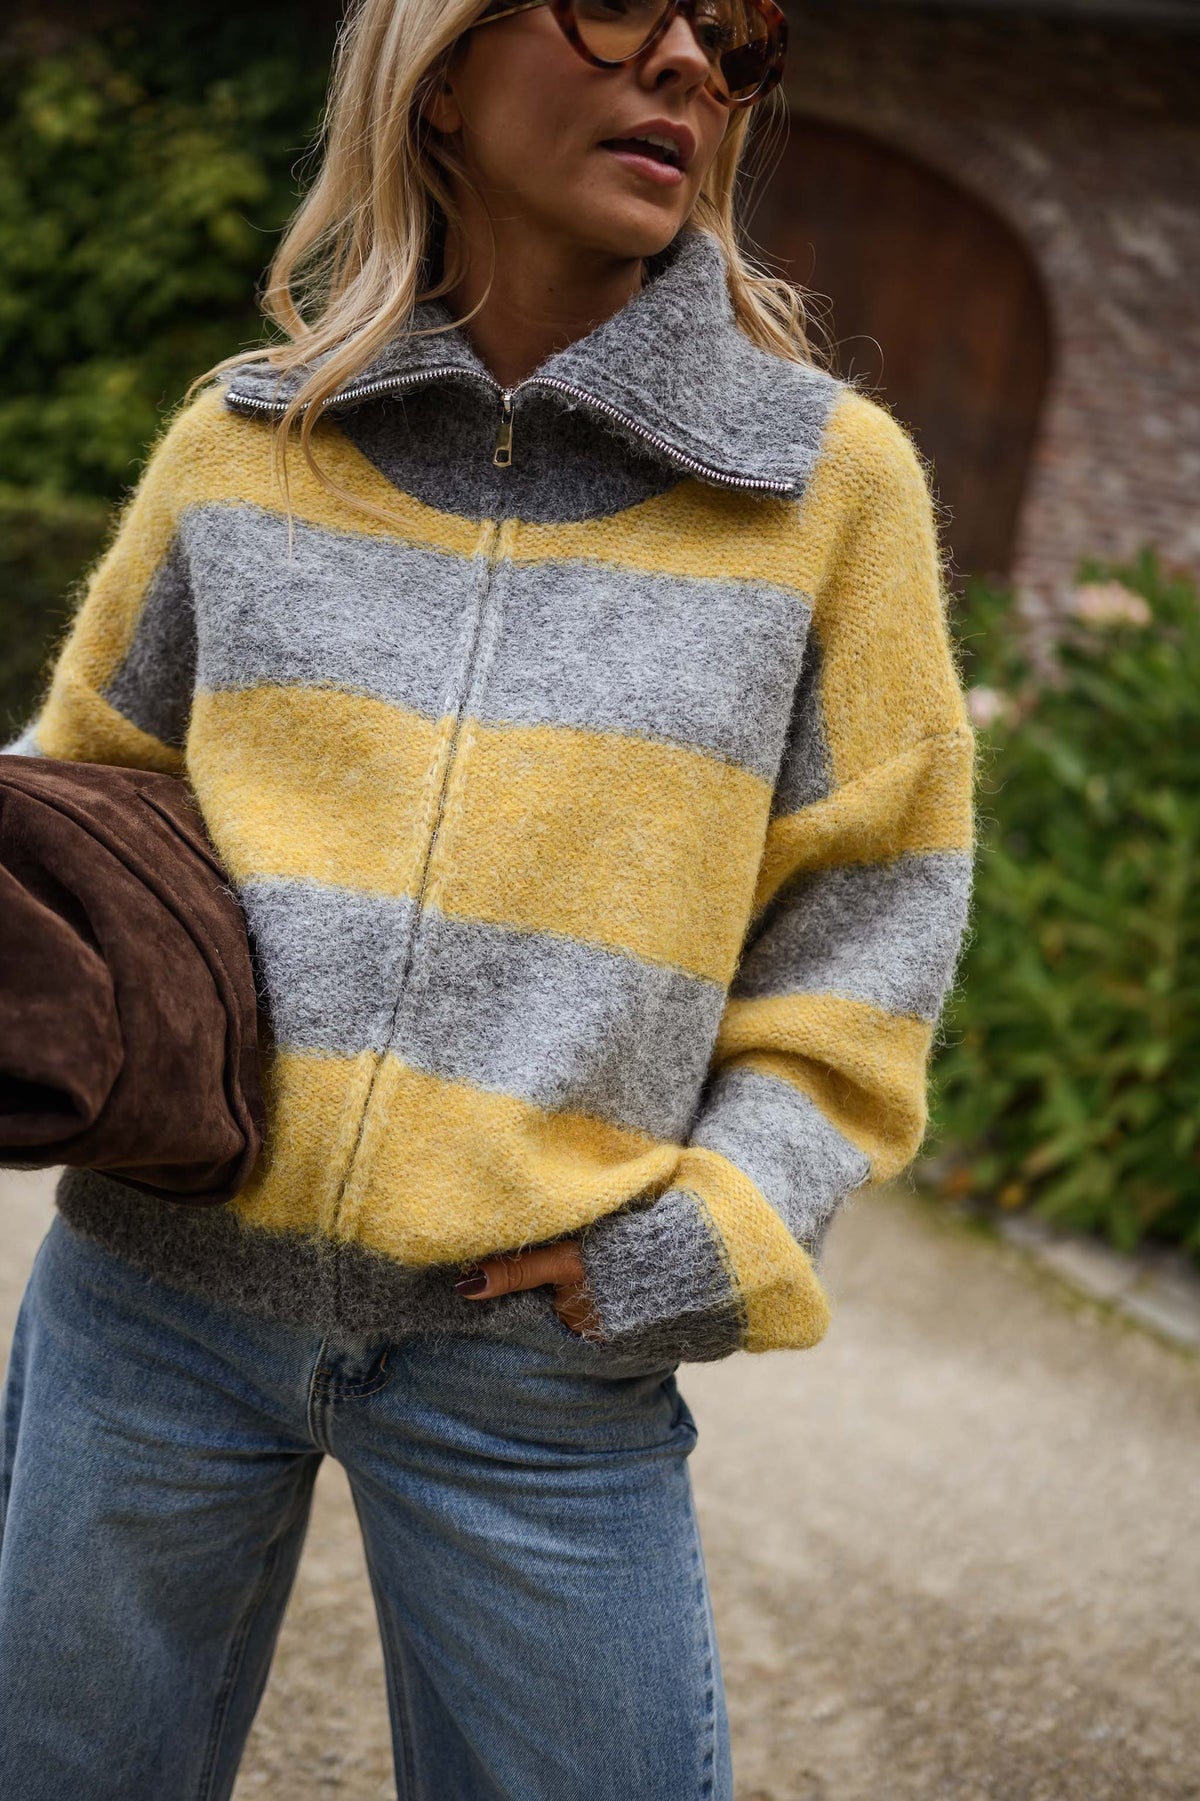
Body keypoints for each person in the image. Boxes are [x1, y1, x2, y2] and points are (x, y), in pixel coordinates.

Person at [0, 0, 975, 1795]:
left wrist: (708, 1231)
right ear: (440, 67)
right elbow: (82, 814)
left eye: (731, 32)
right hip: (151, 1307)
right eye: (617, 5)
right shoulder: (246, 441)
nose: (683, 63)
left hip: (533, 1365)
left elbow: (873, 926)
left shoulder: (829, 490)